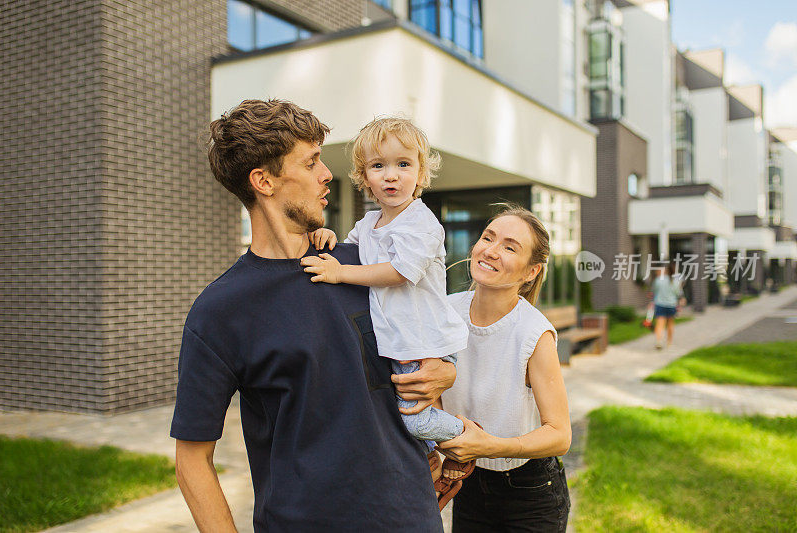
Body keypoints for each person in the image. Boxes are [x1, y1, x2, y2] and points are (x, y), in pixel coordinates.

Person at [170, 99, 454, 532]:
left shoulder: (365, 266)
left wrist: (443, 374)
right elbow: (192, 460)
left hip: (412, 518)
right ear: (264, 181)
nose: (328, 175)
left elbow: (427, 340)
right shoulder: (221, 310)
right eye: (312, 163)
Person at [303, 117, 474, 507]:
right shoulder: (368, 223)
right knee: (401, 419)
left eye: (403, 164)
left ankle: (467, 435)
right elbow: (348, 250)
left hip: (423, 341)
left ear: (421, 172)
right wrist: (328, 238)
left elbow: (398, 272)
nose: (391, 176)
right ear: (364, 177)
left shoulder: (421, 223)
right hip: (399, 343)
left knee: (414, 420)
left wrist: (339, 271)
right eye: (378, 166)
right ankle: (437, 455)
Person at [436, 205, 572, 532]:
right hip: (469, 482)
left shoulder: (533, 334)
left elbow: (560, 435)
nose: (491, 251)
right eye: (488, 238)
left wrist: (492, 446)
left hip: (530, 494)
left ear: (531, 272)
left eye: (510, 247)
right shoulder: (444, 311)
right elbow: (433, 390)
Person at [652, 261, 686, 349]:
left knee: (660, 324)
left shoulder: (658, 280)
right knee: (670, 324)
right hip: (671, 305)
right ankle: (669, 343)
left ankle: (659, 341)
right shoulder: (676, 282)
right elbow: (678, 293)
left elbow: (654, 291)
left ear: (666, 270)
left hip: (660, 304)